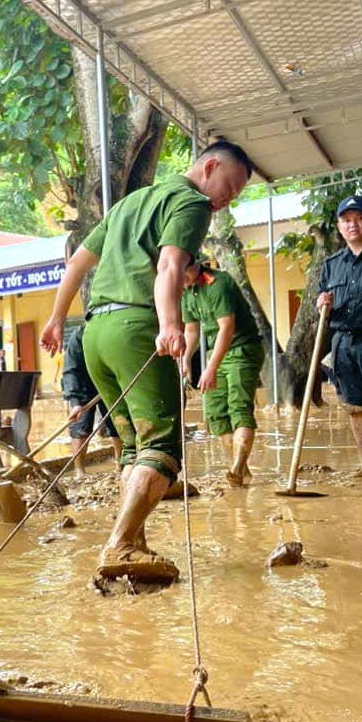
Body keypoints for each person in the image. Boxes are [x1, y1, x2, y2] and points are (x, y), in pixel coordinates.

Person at [40, 141, 251, 583]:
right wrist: (170, 324)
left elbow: (78, 261)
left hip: (95, 331)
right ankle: (119, 543)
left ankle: (133, 542)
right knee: (162, 445)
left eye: (234, 196)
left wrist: (58, 318)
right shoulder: (192, 203)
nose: (225, 199)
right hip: (137, 327)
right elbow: (170, 266)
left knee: (134, 446)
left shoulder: (132, 202)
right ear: (209, 166)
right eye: (228, 187)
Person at [180, 259, 264, 486]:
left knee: (239, 408)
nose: (181, 277)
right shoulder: (187, 292)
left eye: (184, 271)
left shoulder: (218, 283)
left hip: (242, 349)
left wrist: (211, 368)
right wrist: (186, 359)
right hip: (217, 355)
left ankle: (237, 466)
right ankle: (241, 471)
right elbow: (191, 329)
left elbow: (227, 328)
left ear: (195, 264)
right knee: (216, 414)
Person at [317, 194, 362, 477]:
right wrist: (321, 303)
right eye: (347, 220)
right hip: (343, 344)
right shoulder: (331, 264)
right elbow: (322, 299)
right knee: (356, 405)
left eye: (360, 218)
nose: (353, 225)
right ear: (339, 226)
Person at [61, 325, 122, 477]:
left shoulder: (113, 330)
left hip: (110, 379)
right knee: (80, 426)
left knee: (117, 421)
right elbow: (71, 371)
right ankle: (79, 471)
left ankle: (120, 464)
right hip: (83, 382)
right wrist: (75, 402)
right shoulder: (79, 337)